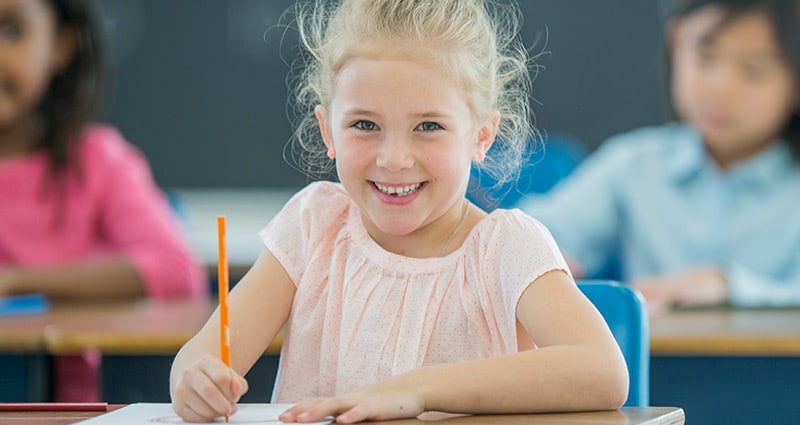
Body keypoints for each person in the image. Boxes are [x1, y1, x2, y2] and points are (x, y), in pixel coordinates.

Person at [169, 0, 628, 423]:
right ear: (327, 130)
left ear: (482, 136)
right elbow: (203, 358)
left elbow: (604, 372)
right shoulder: (313, 225)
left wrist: (417, 390)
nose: (393, 158)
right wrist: (193, 380)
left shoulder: (504, 247)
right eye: (364, 125)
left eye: (428, 126)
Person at [518, 0, 800, 310]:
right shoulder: (634, 165)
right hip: (653, 358)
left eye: (753, 71)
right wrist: (535, 257)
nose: (721, 87)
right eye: (706, 56)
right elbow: (532, 235)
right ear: (677, 41)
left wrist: (728, 285)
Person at [0, 0, 207, 401]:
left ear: (61, 45)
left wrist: (16, 281)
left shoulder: (98, 162)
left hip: (71, 407)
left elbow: (177, 272)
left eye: (12, 32)